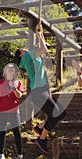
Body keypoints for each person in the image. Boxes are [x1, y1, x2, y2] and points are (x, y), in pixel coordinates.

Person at [14, 23, 66, 154]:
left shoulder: (31, 57)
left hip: (41, 91)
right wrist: (38, 35)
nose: (25, 49)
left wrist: (40, 33)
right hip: (37, 92)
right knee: (57, 113)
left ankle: (40, 127)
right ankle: (41, 138)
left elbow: (42, 48)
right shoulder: (26, 57)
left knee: (61, 113)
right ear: (20, 54)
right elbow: (43, 49)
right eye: (23, 49)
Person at [0, 63, 24, 159]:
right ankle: (1, 154)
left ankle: (20, 154)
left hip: (14, 110)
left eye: (12, 68)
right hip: (2, 109)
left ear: (14, 71)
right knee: (2, 131)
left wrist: (14, 88)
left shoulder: (18, 82)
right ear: (5, 71)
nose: (11, 69)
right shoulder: (0, 82)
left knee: (17, 132)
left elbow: (19, 95)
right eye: (9, 68)